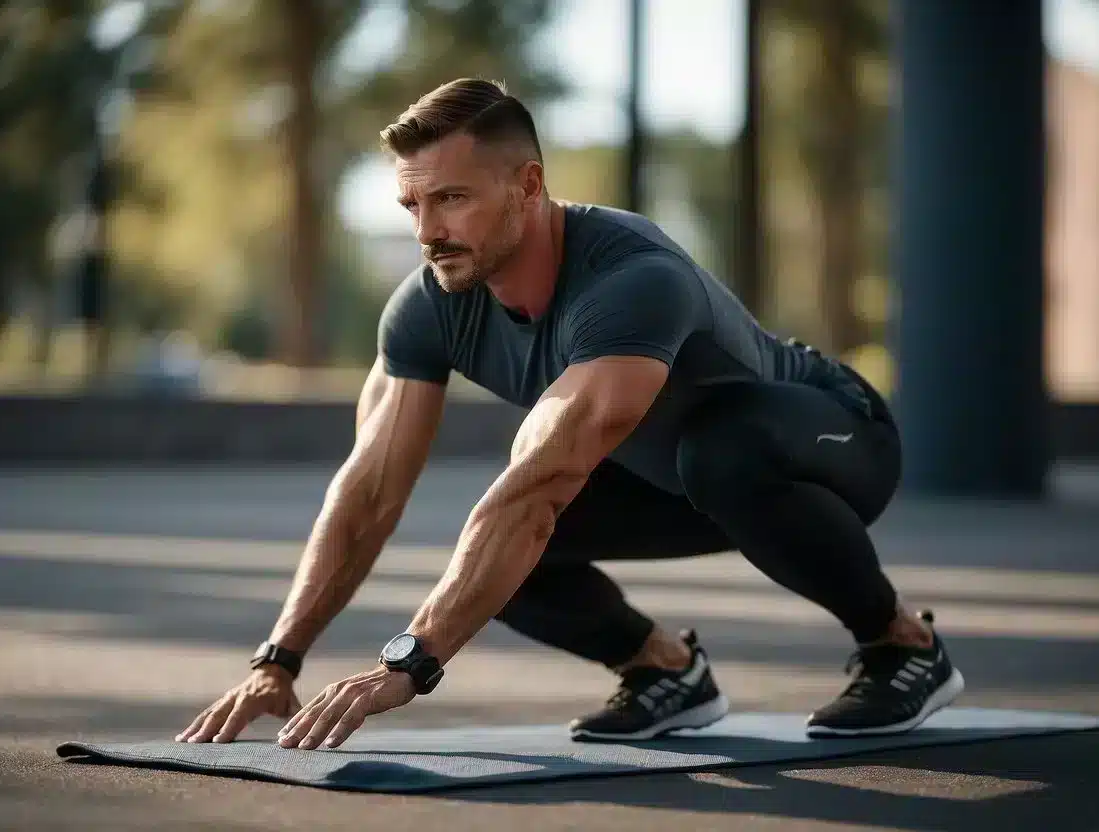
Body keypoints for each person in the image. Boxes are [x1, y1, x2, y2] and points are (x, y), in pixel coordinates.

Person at [175, 78, 964, 752]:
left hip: (827, 441)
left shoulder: (630, 278)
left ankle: (902, 646)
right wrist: (278, 657)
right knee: (496, 565)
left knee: (703, 453)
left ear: (527, 186)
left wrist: (406, 664)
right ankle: (662, 669)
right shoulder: (428, 306)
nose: (427, 232)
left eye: (451, 199)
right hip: (676, 478)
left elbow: (540, 482)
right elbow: (367, 493)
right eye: (412, 203)